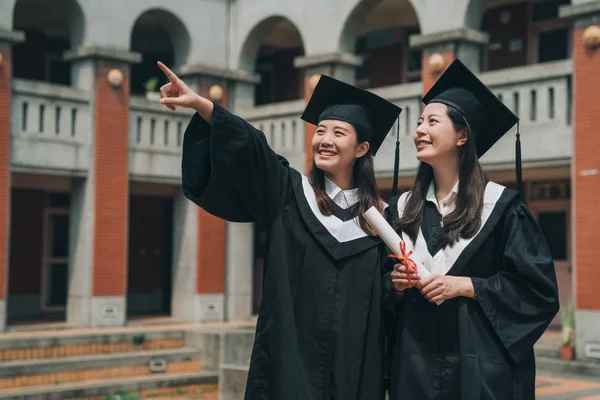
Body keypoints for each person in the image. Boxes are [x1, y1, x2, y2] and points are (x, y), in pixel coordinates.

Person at [156, 61, 401, 400]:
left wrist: (398, 286)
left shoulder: (383, 224)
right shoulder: (289, 193)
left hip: (354, 373)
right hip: (288, 368)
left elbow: (388, 307)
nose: (325, 140)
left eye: (338, 133)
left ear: (362, 149)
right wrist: (204, 107)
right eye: (320, 131)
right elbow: (252, 149)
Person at [385, 59, 559, 399]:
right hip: (414, 369)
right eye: (419, 122)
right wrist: (395, 286)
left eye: (432, 121)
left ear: (462, 134)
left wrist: (467, 286)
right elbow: (377, 292)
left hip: (481, 373)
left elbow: (538, 292)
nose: (419, 130)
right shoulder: (402, 211)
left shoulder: (502, 208)